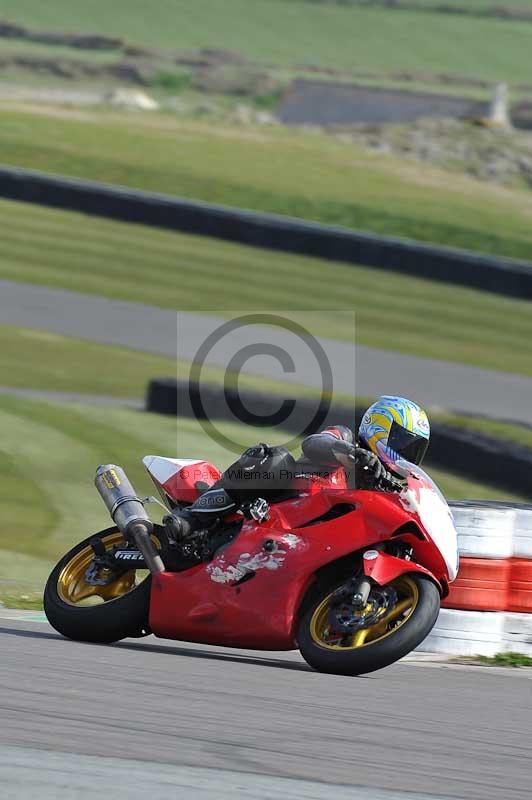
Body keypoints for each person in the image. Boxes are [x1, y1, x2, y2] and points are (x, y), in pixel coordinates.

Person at [164, 395, 430, 539]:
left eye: (413, 449)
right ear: (380, 427)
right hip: (280, 499)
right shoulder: (346, 438)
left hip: (303, 538)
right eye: (402, 443)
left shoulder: (384, 484)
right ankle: (193, 518)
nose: (406, 453)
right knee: (275, 459)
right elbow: (315, 444)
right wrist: (354, 454)